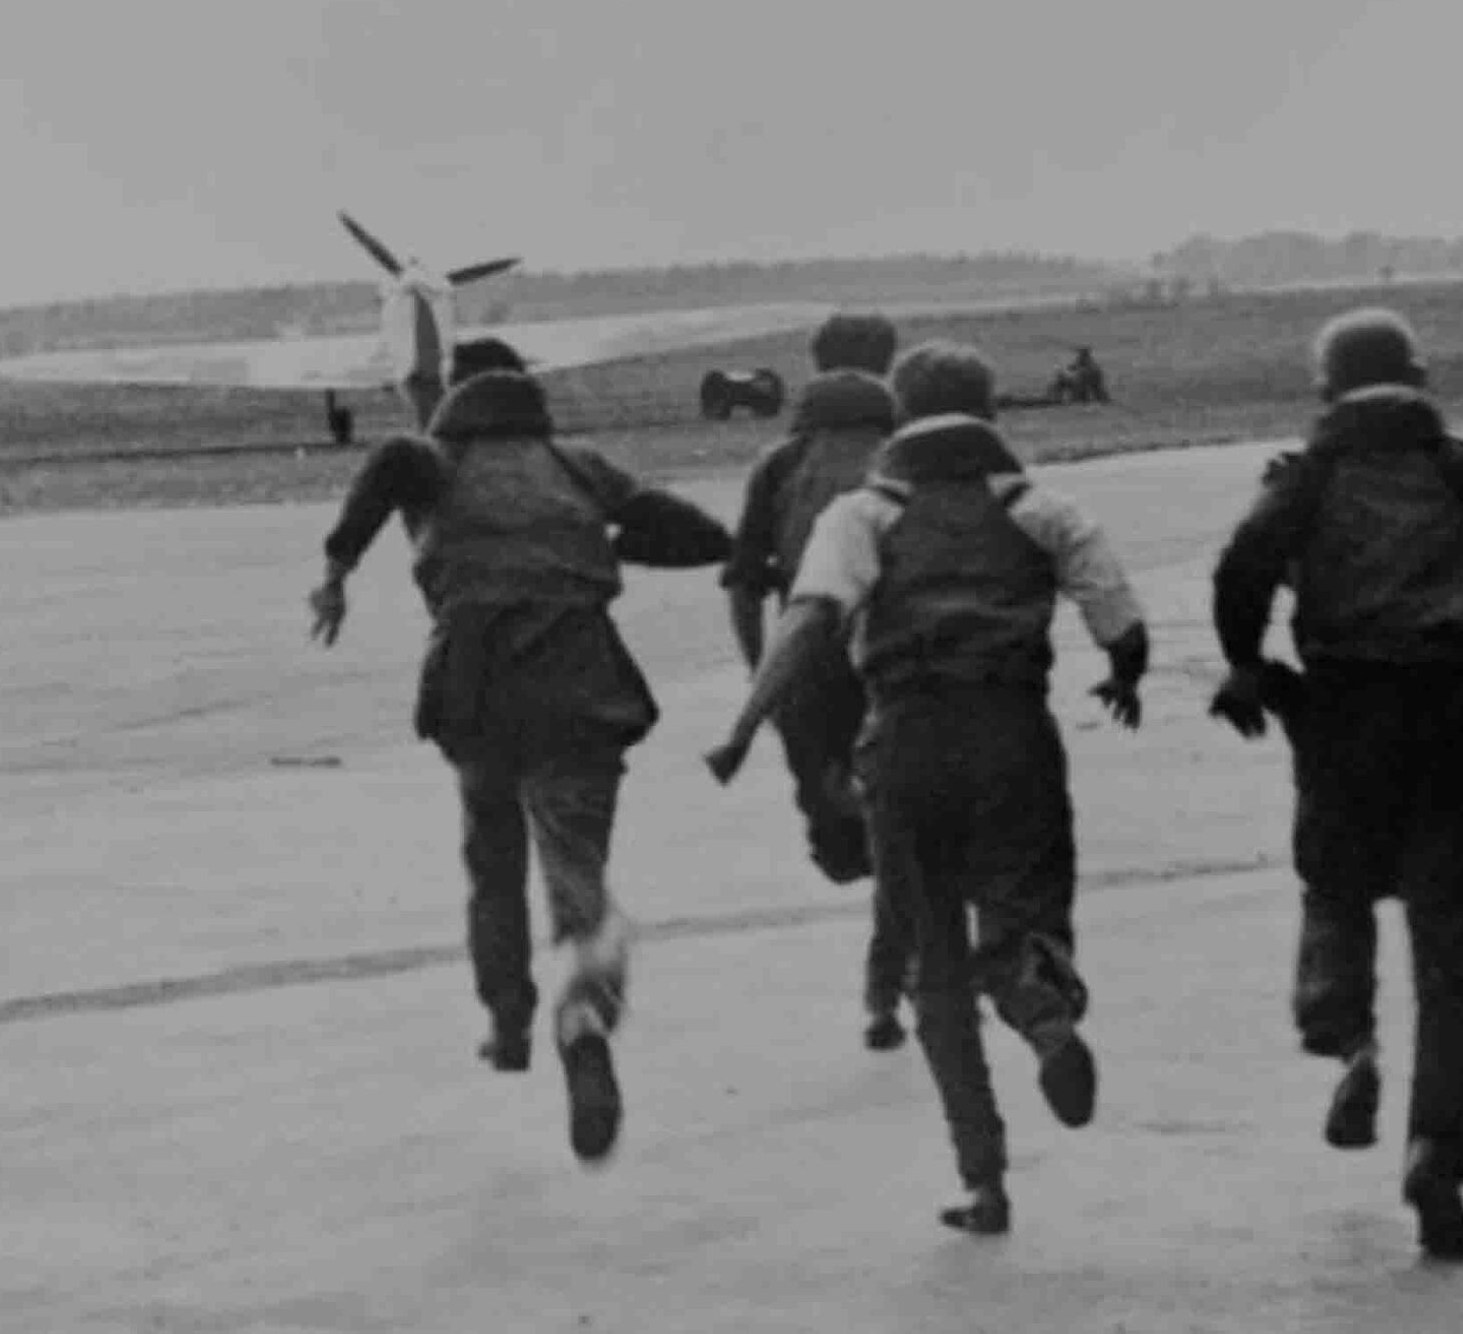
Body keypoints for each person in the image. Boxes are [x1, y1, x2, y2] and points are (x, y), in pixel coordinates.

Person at [706, 339, 1148, 1235]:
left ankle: (983, 1179)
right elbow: (1118, 614)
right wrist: (1126, 675)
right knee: (1024, 914)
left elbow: (809, 620)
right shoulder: (1041, 507)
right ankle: (1038, 1003)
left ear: (901, 416)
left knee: (931, 959)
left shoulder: (860, 514)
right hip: (1015, 735)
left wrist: (746, 726)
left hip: (907, 743)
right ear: (990, 412)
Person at [308, 336, 731, 1165]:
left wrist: (337, 564)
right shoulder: (577, 465)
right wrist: (609, 550)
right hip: (580, 680)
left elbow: (393, 456)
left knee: (491, 854)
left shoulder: (434, 459)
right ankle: (582, 1012)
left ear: (452, 400)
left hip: (477, 687)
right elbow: (692, 532)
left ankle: (506, 1020)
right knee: (576, 871)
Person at [1208, 308, 1463, 1263]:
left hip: (1346, 711)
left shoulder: (1306, 480)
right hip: (1457, 712)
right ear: (1420, 377)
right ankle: (1439, 1151)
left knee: (1337, 883)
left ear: (1325, 390)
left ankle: (1348, 1039)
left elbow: (1242, 568)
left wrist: (1247, 662)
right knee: (1459, 950)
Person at [716, 311, 913, 1051]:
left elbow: (741, 585)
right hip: (901, 661)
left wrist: (761, 681)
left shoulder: (781, 463)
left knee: (849, 844)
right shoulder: (915, 452)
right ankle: (901, 973)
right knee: (903, 829)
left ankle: (893, 984)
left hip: (812, 672)